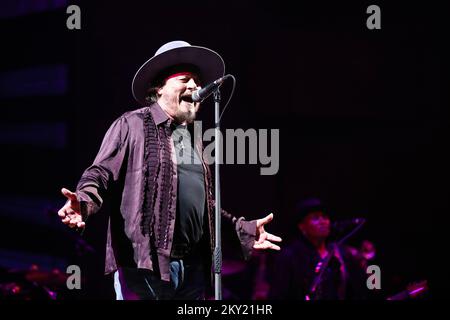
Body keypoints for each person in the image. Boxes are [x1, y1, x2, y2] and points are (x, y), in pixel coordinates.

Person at [57, 40, 281, 300]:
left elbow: (203, 206)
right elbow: (100, 174)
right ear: (159, 88)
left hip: (193, 269)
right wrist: (82, 202)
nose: (195, 86)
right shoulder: (131, 125)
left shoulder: (193, 140)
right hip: (145, 267)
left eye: (197, 81)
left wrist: (245, 230)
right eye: (185, 79)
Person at [268, 198, 367, 300]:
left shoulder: (341, 253)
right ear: (302, 226)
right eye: (315, 218)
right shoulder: (290, 256)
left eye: (325, 217)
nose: (322, 221)